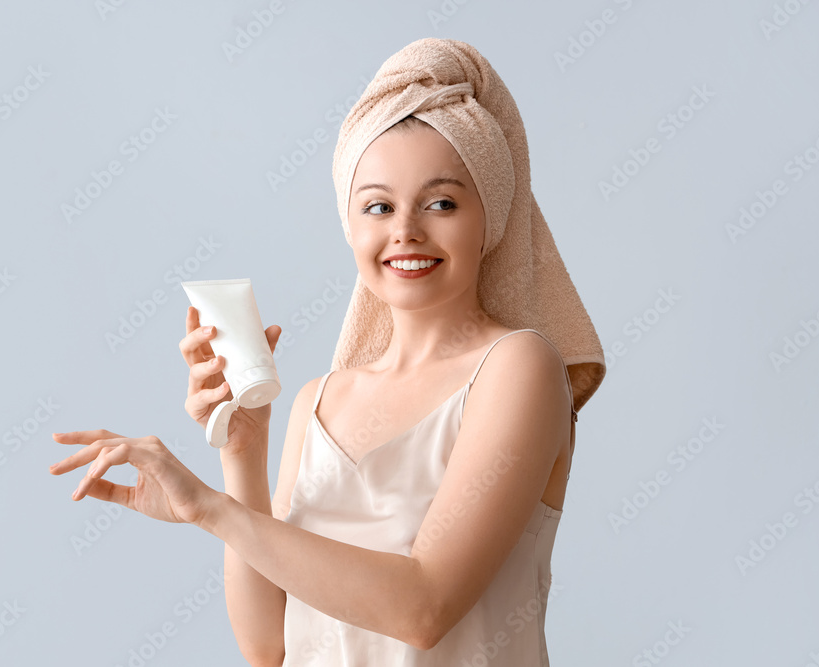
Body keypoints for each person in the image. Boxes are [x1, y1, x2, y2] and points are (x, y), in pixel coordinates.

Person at [48, 38, 605, 666]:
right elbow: (268, 646)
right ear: (351, 225)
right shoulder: (321, 399)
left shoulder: (517, 367)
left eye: (442, 202)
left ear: (491, 218)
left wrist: (209, 509)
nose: (406, 230)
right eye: (378, 206)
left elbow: (423, 608)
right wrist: (242, 454)